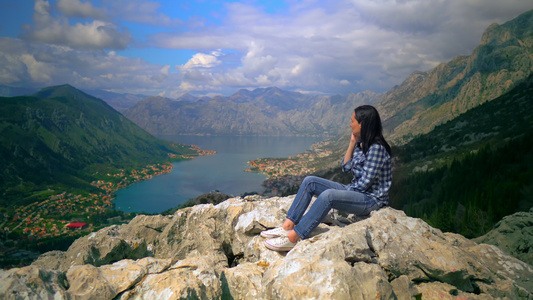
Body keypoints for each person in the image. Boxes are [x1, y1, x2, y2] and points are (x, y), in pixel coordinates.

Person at [261, 105, 392, 252]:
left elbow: (364, 184)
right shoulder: (363, 145)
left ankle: (294, 237)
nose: (350, 124)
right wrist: (352, 142)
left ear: (362, 124)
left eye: (353, 121)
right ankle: (287, 225)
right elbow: (346, 167)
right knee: (310, 181)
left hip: (371, 200)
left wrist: (341, 192)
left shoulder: (376, 148)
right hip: (357, 192)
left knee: (328, 196)